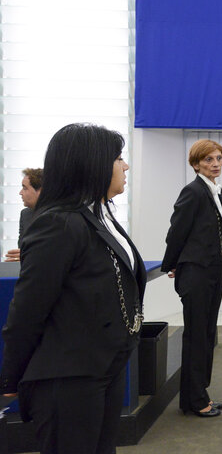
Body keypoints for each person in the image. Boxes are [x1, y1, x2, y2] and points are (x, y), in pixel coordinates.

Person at [0, 123, 145, 454]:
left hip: (103, 366)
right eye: (118, 158)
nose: (125, 166)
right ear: (92, 164)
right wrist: (12, 375)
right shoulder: (59, 222)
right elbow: (28, 309)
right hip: (70, 375)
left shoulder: (97, 215)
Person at [162, 139, 222, 418]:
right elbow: (176, 231)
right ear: (195, 164)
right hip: (197, 272)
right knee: (196, 335)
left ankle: (199, 394)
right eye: (208, 160)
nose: (215, 164)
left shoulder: (214, 190)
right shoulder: (192, 191)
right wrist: (172, 264)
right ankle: (195, 400)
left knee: (206, 333)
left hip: (213, 269)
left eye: (218, 158)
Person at [4, 168, 43, 262]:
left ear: (40, 191)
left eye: (25, 188)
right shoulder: (25, 214)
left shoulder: (59, 216)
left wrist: (30, 256)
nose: (20, 193)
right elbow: (22, 249)